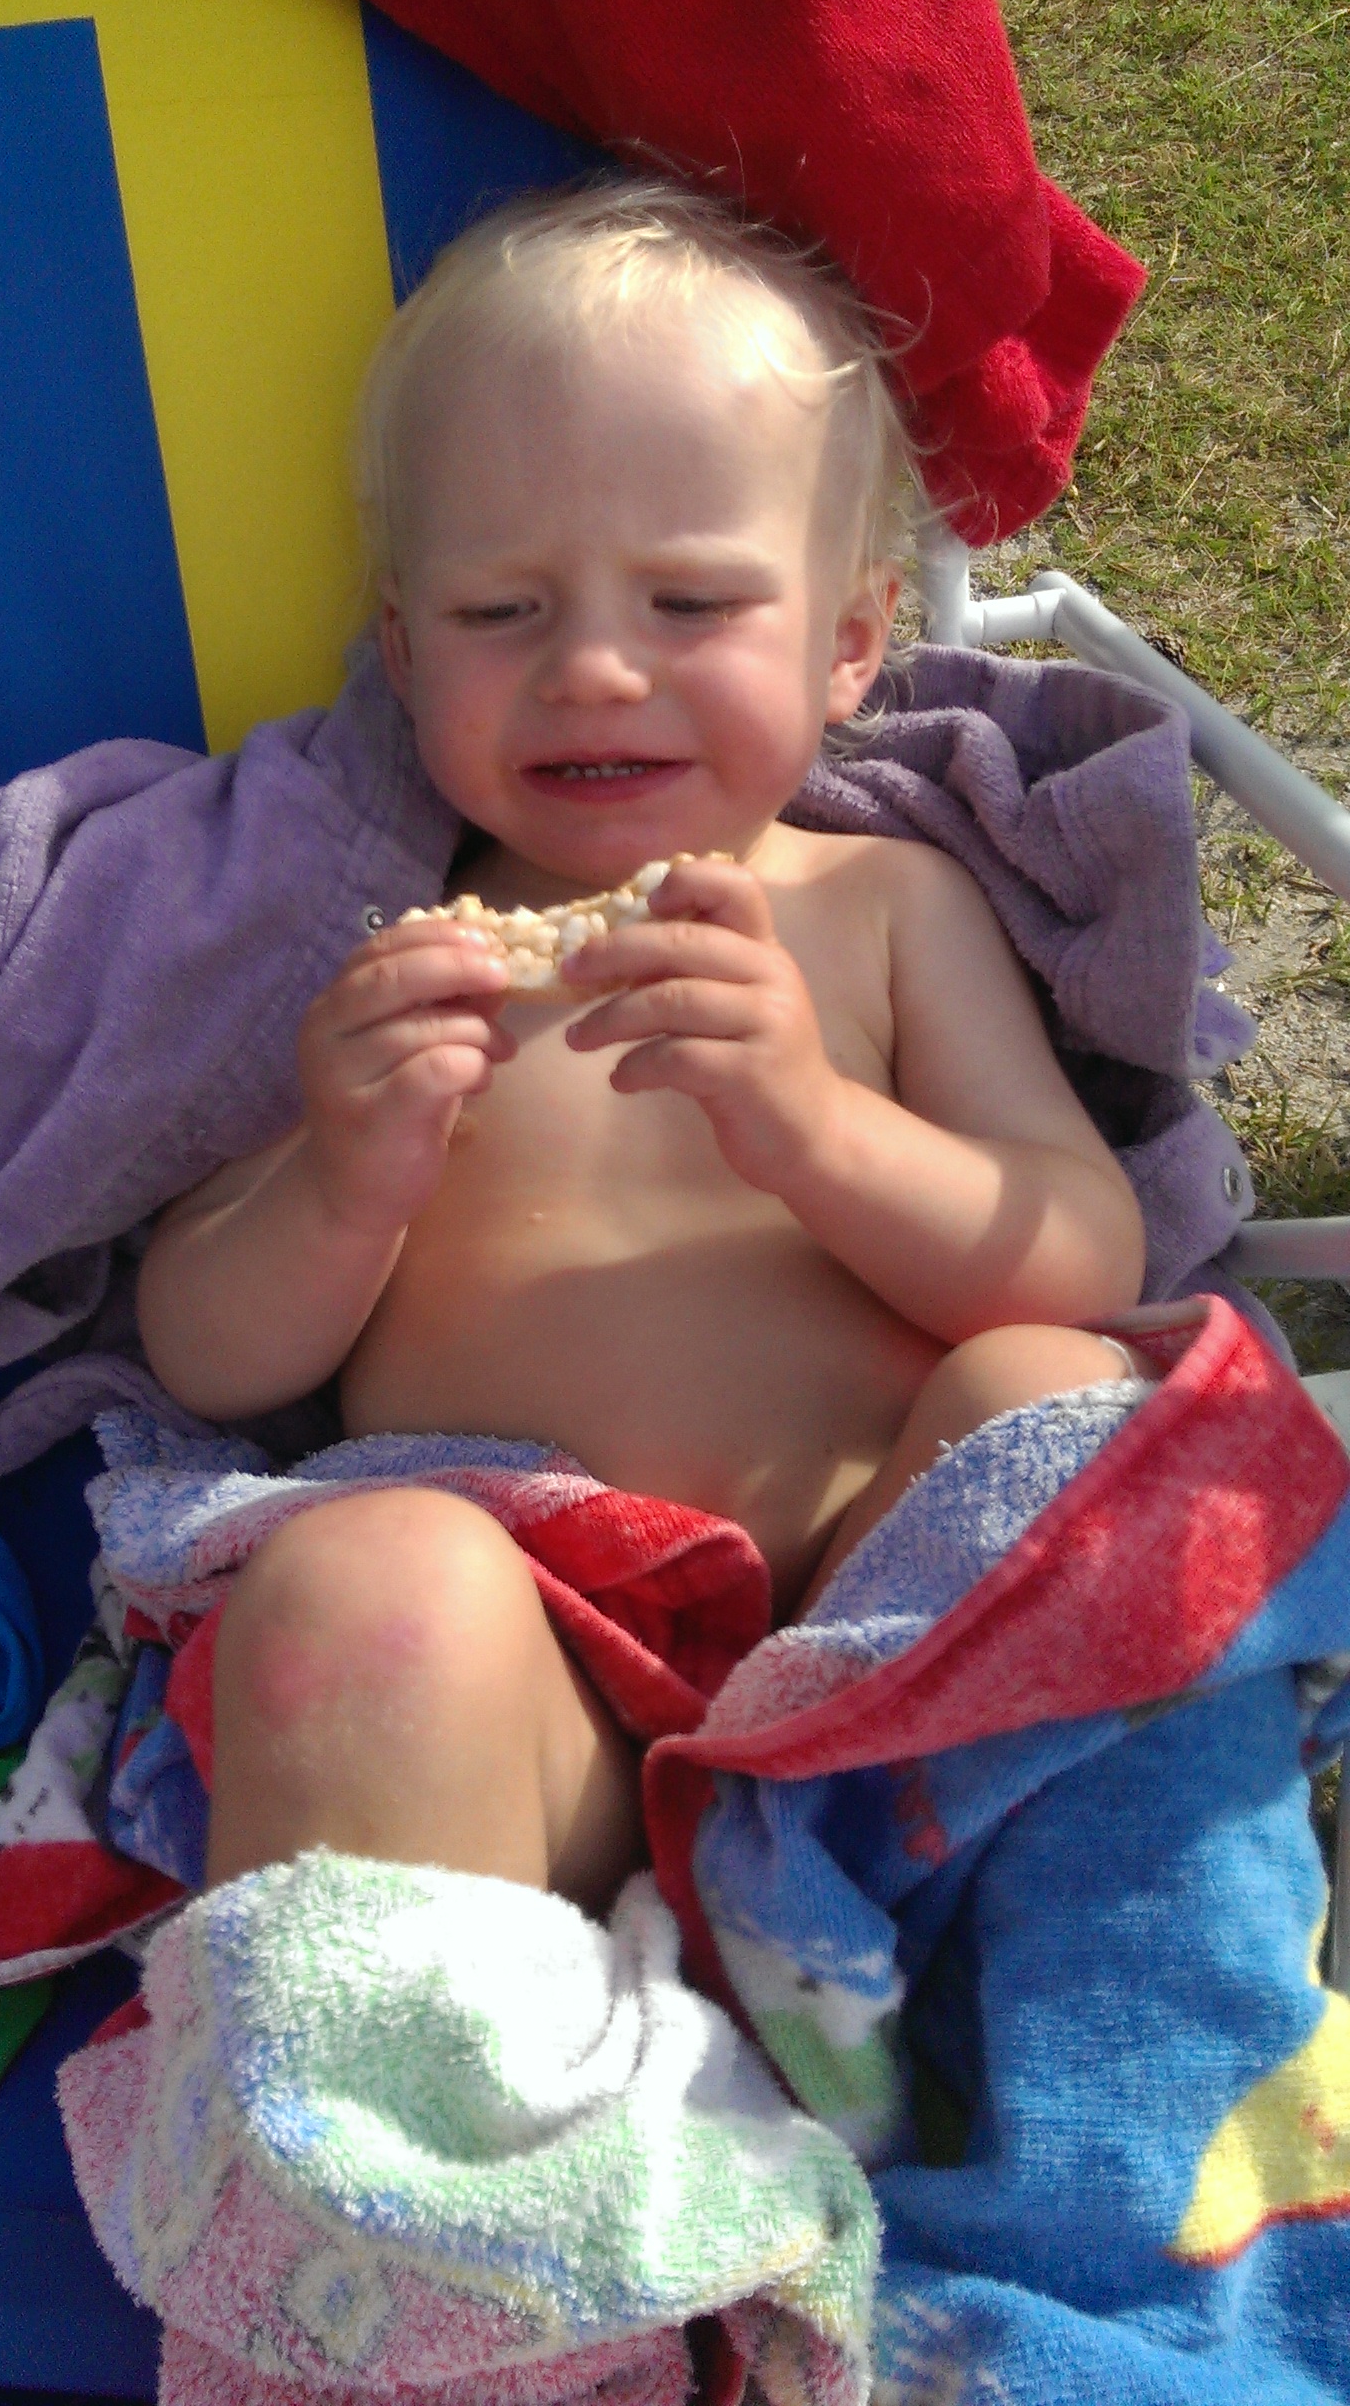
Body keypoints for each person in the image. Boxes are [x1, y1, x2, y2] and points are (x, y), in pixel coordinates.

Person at [134, 180, 1148, 1920]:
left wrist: (814, 1125)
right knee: (363, 1585)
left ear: (850, 644)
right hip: (538, 1676)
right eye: (499, 615)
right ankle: (403, 2077)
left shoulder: (883, 907)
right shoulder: (388, 946)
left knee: (1059, 1394)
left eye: (687, 602)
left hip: (883, 1651)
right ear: (402, 649)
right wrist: (344, 1179)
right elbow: (202, 1356)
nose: (596, 670)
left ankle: (1042, 1976)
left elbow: (1081, 1255)